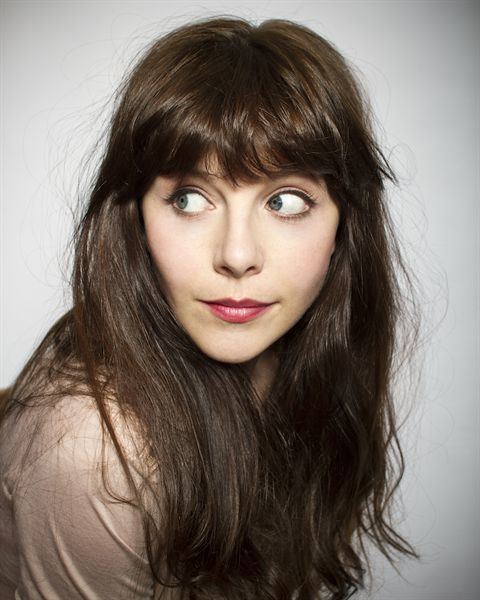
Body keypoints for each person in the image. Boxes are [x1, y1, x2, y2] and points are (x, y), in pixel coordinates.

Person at [0, 15, 421, 600]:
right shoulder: (94, 456)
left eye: (287, 200)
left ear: (345, 224)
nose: (238, 255)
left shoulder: (303, 362)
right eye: (191, 199)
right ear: (138, 219)